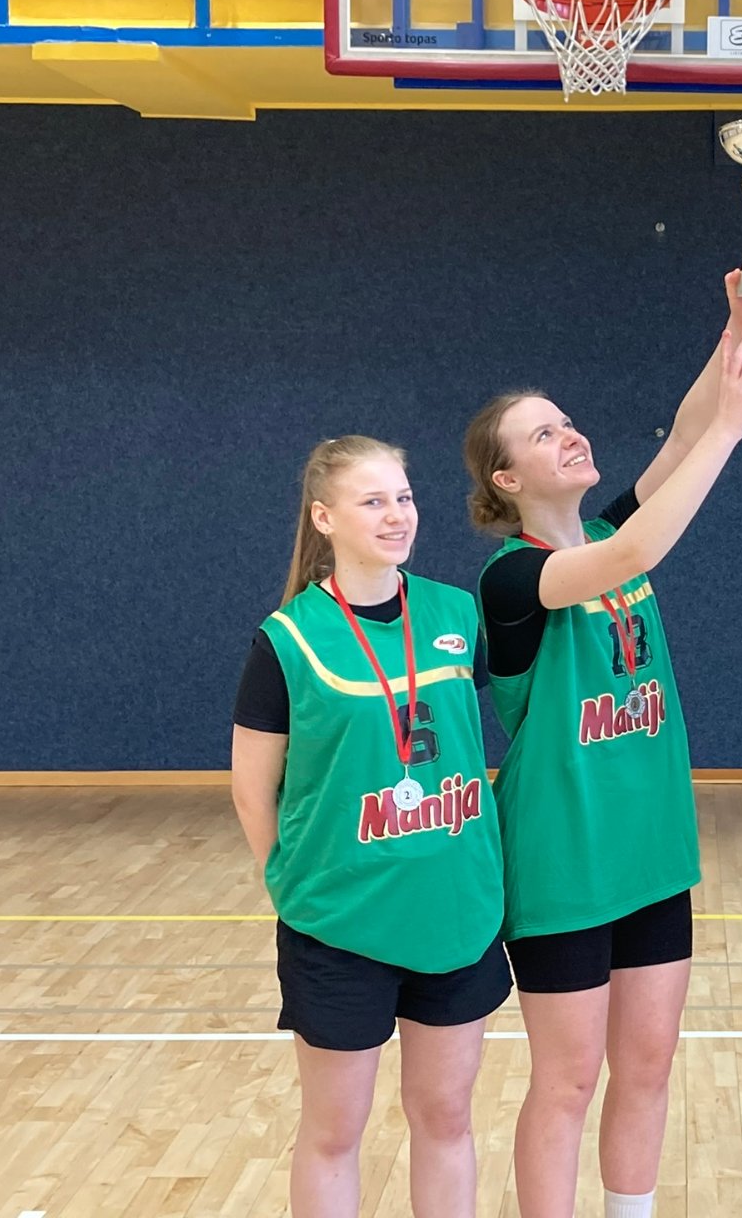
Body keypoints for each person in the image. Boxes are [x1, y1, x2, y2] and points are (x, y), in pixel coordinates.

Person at [462, 280, 742, 1218]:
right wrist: (732, 430)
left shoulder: (605, 527)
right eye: (543, 434)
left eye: (567, 422)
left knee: (646, 1069)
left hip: (650, 853)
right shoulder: (515, 579)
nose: (569, 435)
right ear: (507, 482)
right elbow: (639, 550)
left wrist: (737, 330)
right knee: (567, 1082)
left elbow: (680, 439)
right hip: (566, 864)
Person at [230, 434, 509, 1218]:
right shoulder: (288, 640)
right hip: (341, 925)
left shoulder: (457, 614)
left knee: (446, 1118)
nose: (397, 515)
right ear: (324, 517)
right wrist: (300, 888)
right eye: (373, 500)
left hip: (455, 912)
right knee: (334, 1131)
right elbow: (252, 792)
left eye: (405, 498)